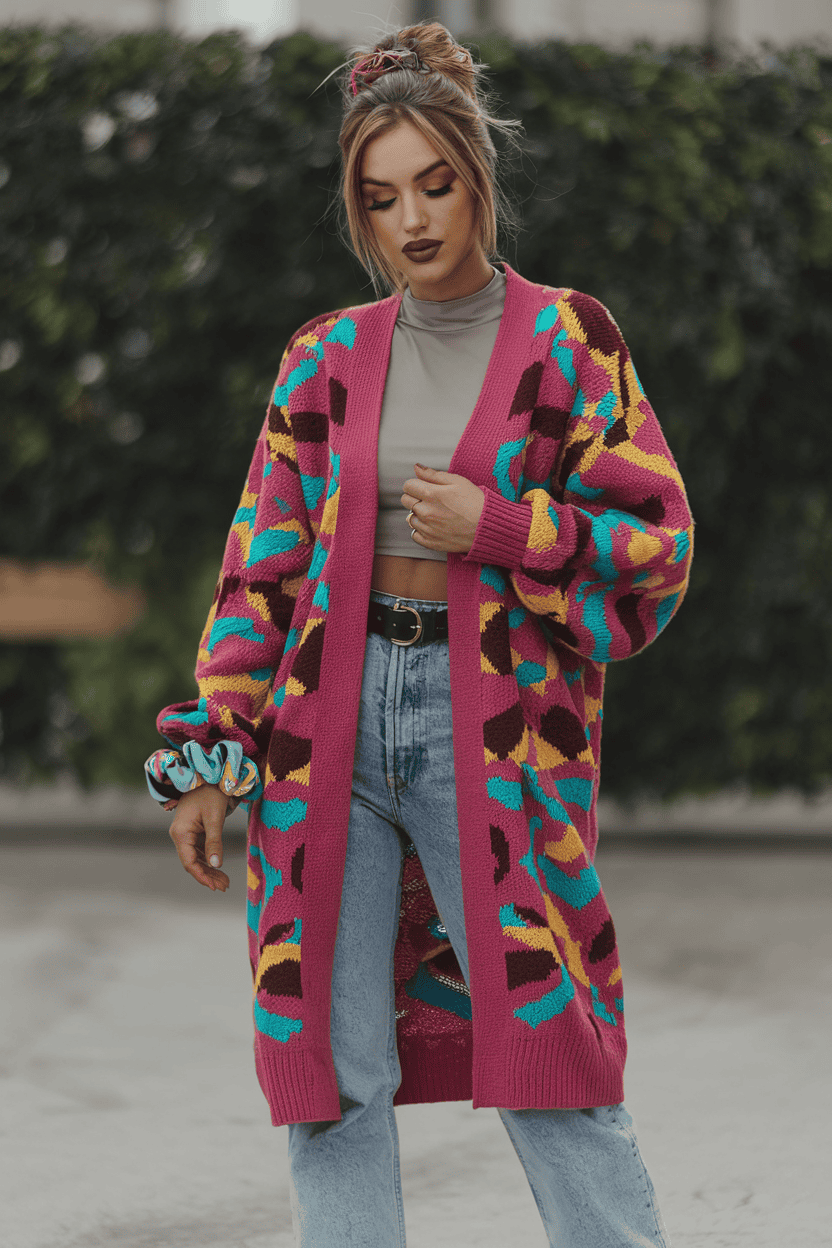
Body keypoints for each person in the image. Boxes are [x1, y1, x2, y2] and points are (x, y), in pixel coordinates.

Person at [145, 22, 693, 1247]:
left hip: (493, 730)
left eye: (436, 184)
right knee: (330, 1077)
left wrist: (500, 526)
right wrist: (208, 754)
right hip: (318, 732)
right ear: (360, 211)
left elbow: (654, 549)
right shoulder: (325, 361)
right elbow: (260, 574)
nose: (415, 221)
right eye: (382, 197)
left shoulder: (570, 341)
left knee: (552, 1041)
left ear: (478, 176)